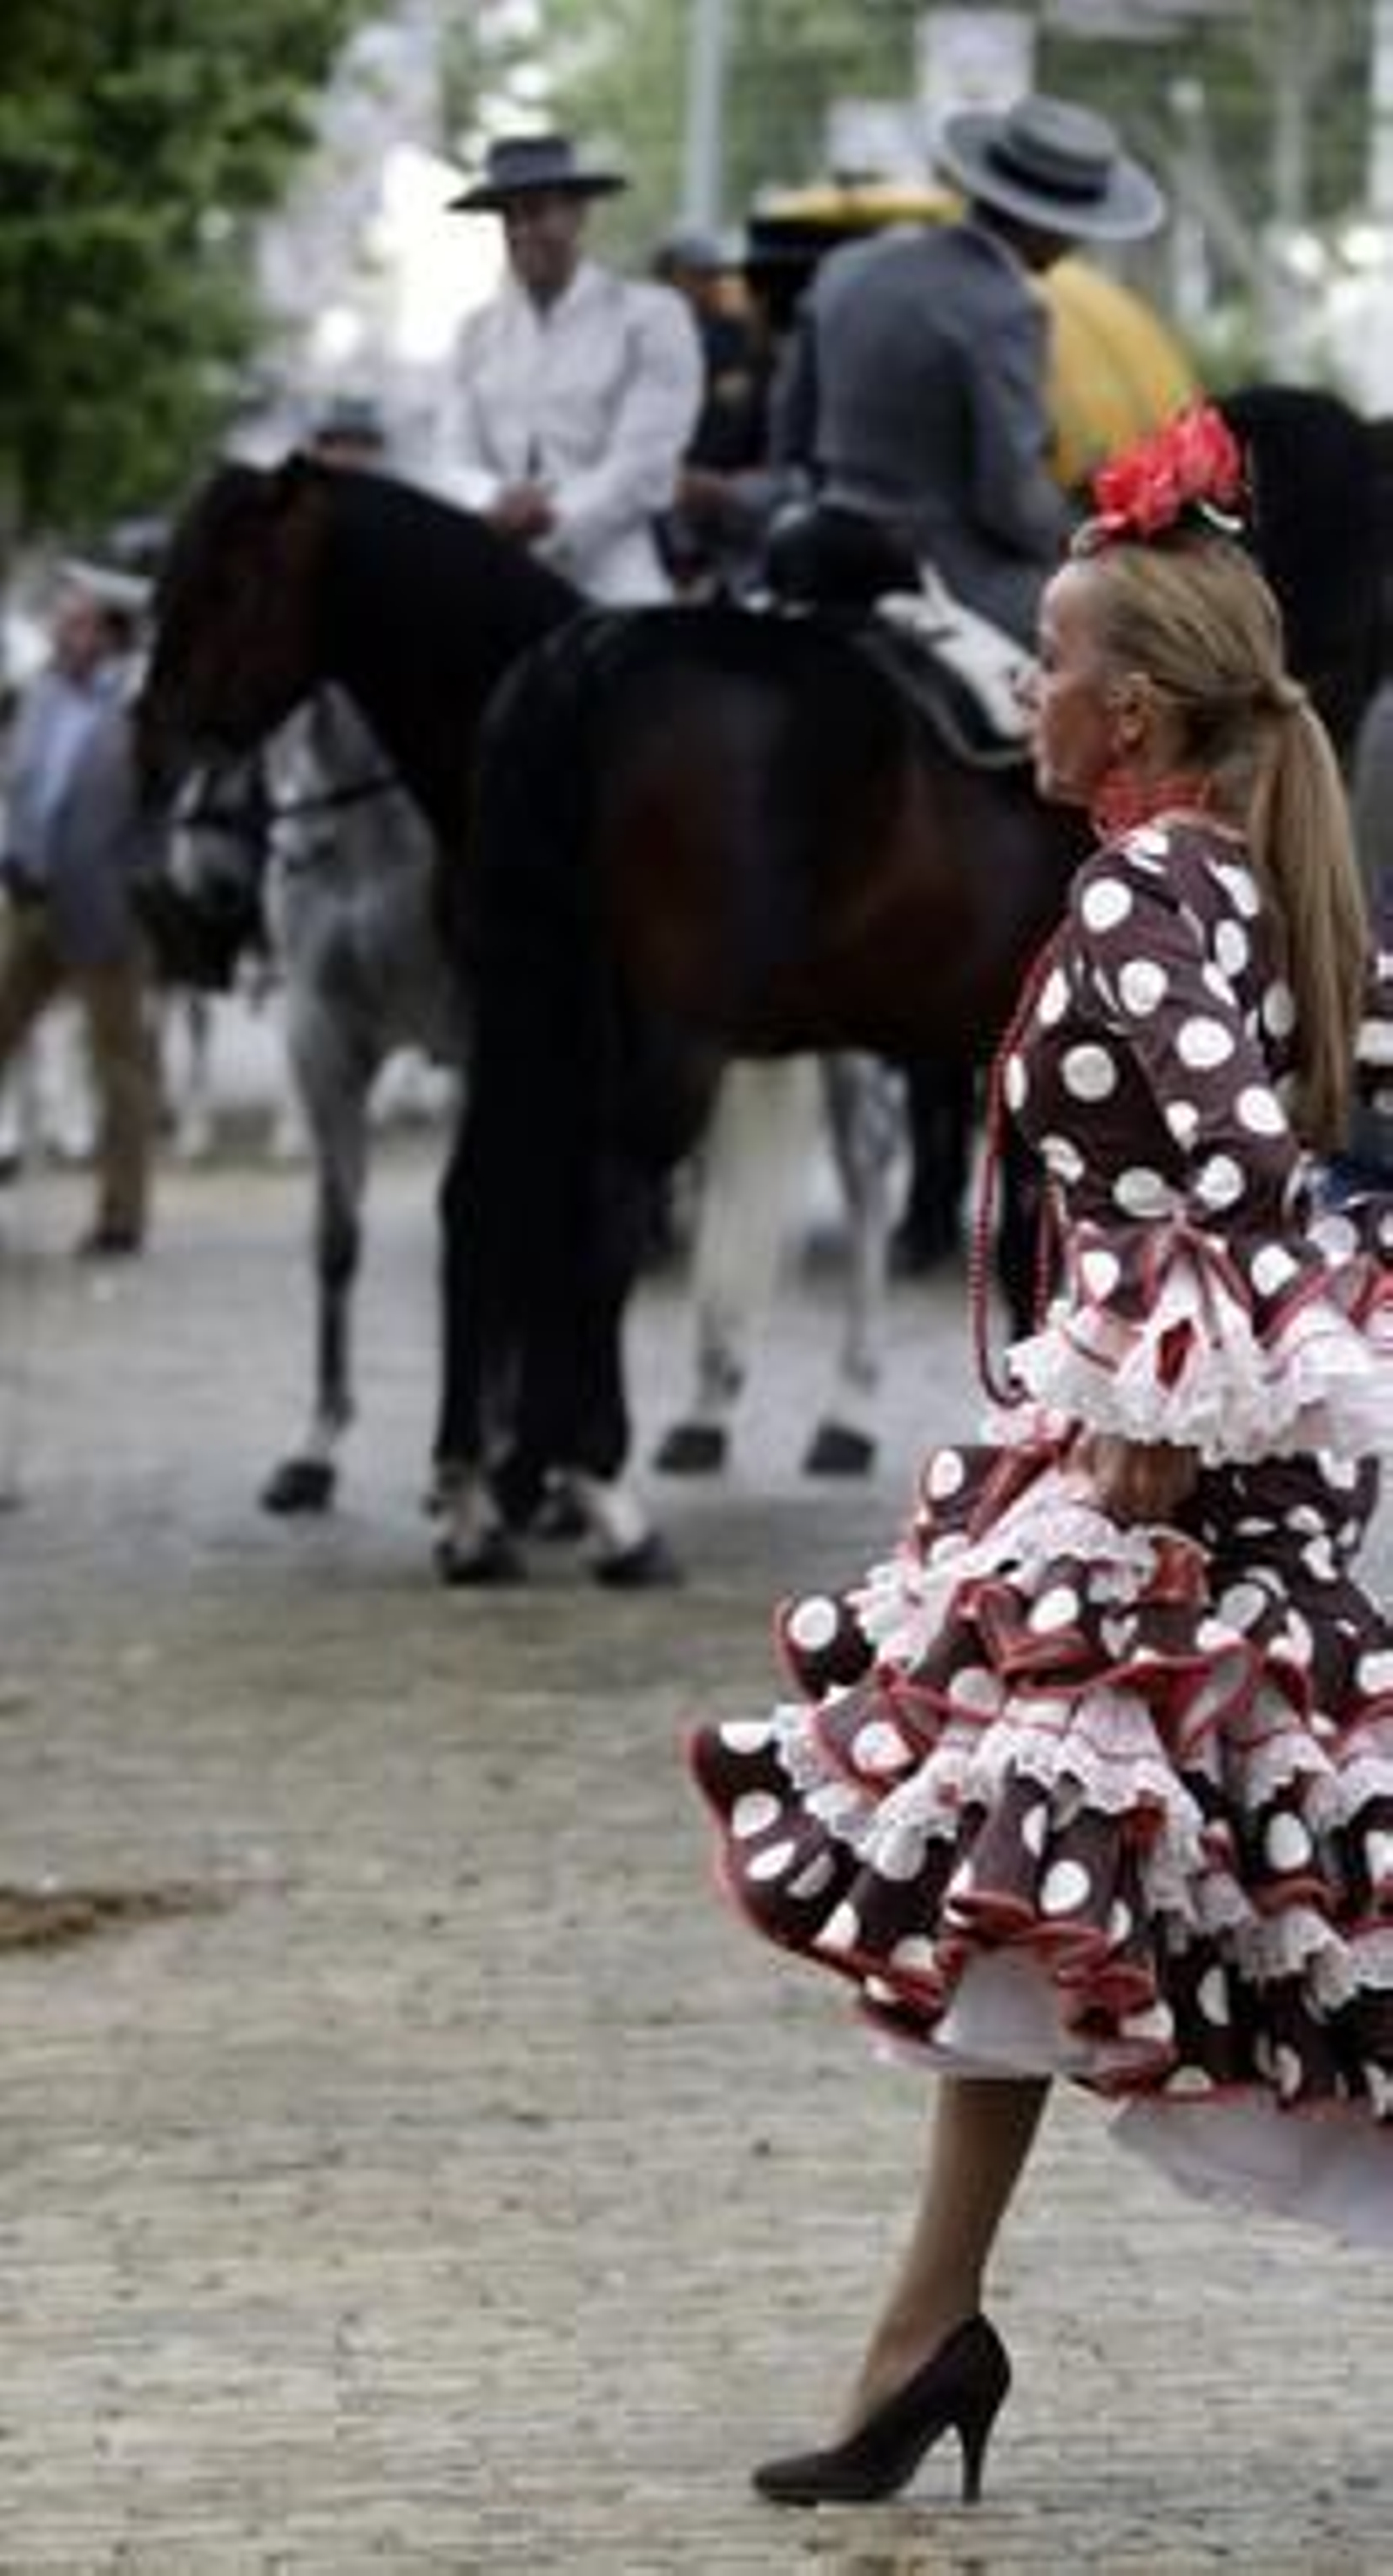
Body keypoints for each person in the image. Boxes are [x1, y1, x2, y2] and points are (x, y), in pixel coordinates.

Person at [689, 403, 1393, 2508]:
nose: (1024, 684)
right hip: (1135, 1453)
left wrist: (1165, 1424)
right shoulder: (1195, 880)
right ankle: (923, 2338)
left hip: (1172, 1479)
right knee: (1032, 1882)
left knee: (1249, 1900)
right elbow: (1293, 1116)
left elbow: (1247, 1171)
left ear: (1134, 706)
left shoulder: (1144, 896)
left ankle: (920, 2337)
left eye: (1051, 654)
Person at [770, 92, 1164, 639]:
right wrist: (1090, 541)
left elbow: (790, 433)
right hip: (947, 570)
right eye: (1077, 229)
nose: (1075, 244)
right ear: (1047, 225)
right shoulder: (1007, 306)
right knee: (1130, 640)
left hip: (821, 545)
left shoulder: (847, 265)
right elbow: (1008, 497)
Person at [433, 131, 703, 604]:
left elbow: (644, 464)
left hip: (612, 579)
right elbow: (453, 455)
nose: (519, 231)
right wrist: (492, 500)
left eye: (535, 211)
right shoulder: (476, 331)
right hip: (496, 570)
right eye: (507, 217)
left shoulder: (649, 317)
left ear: (578, 214)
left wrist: (551, 518)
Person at [0, 563, 159, 1253]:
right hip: (32, 897)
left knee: (118, 1066)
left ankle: (121, 1216)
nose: (65, 633)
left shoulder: (136, 706)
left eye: (80, 622)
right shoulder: (38, 698)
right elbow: (21, 785)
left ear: (108, 635)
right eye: (61, 622)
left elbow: (159, 810)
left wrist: (140, 882)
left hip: (106, 908)